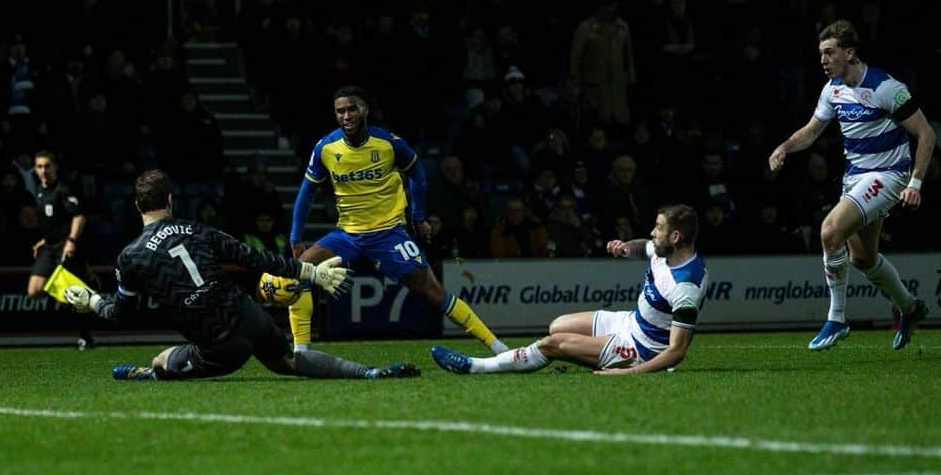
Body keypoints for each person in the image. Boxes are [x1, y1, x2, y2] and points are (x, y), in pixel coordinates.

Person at [63, 169, 419, 381]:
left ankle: (149, 373)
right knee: (290, 361)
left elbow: (121, 315)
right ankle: (367, 372)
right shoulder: (198, 229)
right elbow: (254, 257)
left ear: (138, 206)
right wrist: (309, 271)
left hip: (220, 348)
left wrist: (93, 302)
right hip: (251, 317)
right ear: (170, 200)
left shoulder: (131, 257)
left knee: (161, 360)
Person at [280, 86, 507, 354]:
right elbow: (307, 192)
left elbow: (418, 174)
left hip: (388, 233)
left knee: (431, 289)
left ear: (364, 110)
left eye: (352, 109)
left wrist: (418, 217)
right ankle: (302, 353)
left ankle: (497, 346)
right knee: (297, 273)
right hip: (346, 234)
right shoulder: (326, 148)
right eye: (340, 111)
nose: (346, 116)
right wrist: (295, 237)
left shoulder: (389, 143)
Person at [768, 20, 934, 351]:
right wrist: (785, 147)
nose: (823, 60)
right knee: (862, 259)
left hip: (888, 175)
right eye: (820, 54)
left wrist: (915, 182)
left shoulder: (886, 87)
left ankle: (837, 319)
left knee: (830, 231)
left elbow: (927, 134)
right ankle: (911, 307)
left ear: (850, 53)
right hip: (856, 177)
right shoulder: (833, 89)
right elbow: (813, 130)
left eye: (829, 53)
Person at [431, 204, 707, 375]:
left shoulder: (685, 286)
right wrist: (624, 248)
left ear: (675, 236)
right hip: (630, 321)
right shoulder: (665, 251)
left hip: (641, 348)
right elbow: (641, 247)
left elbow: (676, 352)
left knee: (553, 344)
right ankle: (587, 354)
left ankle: (475, 366)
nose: (652, 232)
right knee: (557, 326)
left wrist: (631, 373)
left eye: (658, 228)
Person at [26, 150, 95, 349]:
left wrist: (72, 240)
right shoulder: (40, 190)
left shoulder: (64, 189)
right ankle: (68, 297)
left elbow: (79, 216)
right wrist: (43, 240)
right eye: (39, 166)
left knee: (74, 297)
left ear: (55, 167)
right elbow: (53, 221)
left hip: (66, 247)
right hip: (49, 247)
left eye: (47, 165)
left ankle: (85, 336)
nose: (43, 170)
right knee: (34, 290)